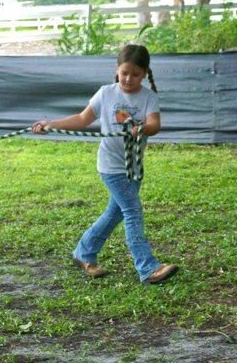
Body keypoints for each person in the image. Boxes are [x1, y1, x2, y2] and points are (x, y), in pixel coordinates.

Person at [32, 44, 178, 284]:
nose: (129, 79)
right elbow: (82, 118)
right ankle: (147, 267)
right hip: (111, 166)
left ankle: (83, 252)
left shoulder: (149, 98)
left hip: (133, 166)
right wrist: (51, 124)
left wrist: (141, 128)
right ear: (117, 70)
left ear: (145, 73)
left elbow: (155, 124)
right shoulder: (106, 93)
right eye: (125, 73)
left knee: (115, 212)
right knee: (132, 212)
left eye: (136, 74)